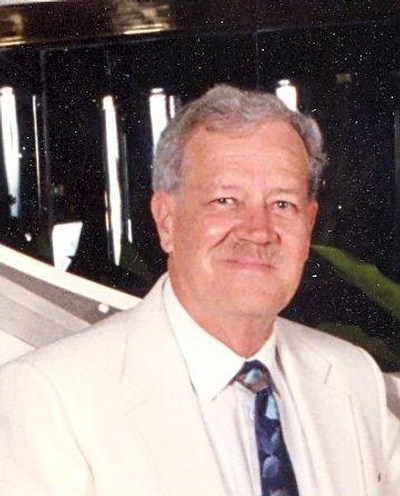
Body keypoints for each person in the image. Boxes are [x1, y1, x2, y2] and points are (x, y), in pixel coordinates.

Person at [0, 84, 399, 496]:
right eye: (225, 200)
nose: (258, 231)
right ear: (167, 220)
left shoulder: (354, 378)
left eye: (283, 204)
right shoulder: (52, 397)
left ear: (309, 223)